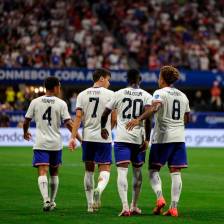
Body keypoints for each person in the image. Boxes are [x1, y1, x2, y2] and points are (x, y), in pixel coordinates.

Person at [126, 65, 190, 217]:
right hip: (179, 138)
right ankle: (174, 207)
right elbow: (187, 119)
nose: (157, 79)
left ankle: (160, 198)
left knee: (153, 170)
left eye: (159, 76)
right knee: (176, 172)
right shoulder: (183, 95)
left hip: (162, 137)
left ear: (162, 79)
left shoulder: (159, 93)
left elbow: (154, 109)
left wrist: (139, 118)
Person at [23, 77, 81, 211]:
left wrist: (25, 132)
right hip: (56, 143)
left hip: (41, 143)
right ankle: (52, 201)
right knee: (54, 173)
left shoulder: (35, 102)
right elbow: (68, 123)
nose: (60, 88)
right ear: (55, 87)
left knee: (42, 172)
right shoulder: (61, 103)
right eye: (59, 86)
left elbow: (26, 121)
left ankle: (46, 200)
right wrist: (80, 139)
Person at [101, 69, 152, 216]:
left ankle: (124, 207)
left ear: (127, 79)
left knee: (122, 172)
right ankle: (134, 205)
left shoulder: (118, 93)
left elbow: (105, 113)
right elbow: (149, 119)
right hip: (138, 139)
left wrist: (103, 128)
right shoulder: (146, 95)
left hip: (122, 138)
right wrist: (147, 139)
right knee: (137, 172)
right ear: (139, 80)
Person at [68, 68, 116, 212]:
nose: (109, 82)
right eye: (108, 79)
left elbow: (77, 118)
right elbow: (114, 118)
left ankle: (90, 205)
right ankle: (99, 190)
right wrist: (108, 130)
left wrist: (72, 137)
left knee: (89, 171)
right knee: (105, 168)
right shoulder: (111, 94)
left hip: (87, 137)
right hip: (103, 138)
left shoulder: (82, 94)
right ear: (101, 78)